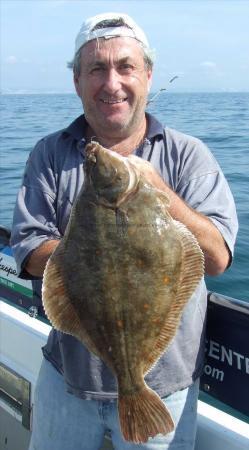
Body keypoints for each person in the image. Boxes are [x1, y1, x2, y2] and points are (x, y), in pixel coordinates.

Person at [11, 12, 238, 450]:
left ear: (148, 76)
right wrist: (91, 253)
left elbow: (217, 258)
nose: (111, 82)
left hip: (163, 389)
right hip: (67, 381)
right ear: (77, 81)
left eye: (125, 66)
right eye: (96, 69)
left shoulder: (189, 156)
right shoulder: (49, 154)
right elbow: (27, 247)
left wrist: (159, 192)